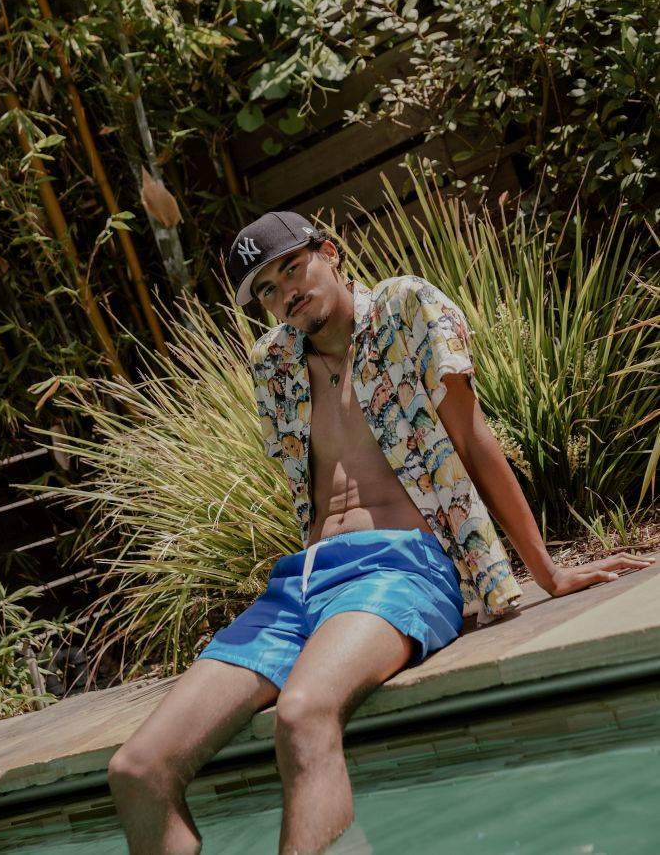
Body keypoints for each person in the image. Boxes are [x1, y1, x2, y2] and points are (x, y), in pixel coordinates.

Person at [108, 210, 655, 855]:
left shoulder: (404, 310)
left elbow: (474, 442)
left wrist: (548, 572)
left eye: (293, 267)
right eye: (266, 289)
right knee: (137, 771)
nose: (286, 291)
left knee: (304, 715)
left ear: (330, 253)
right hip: (301, 585)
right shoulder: (275, 367)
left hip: (403, 566)